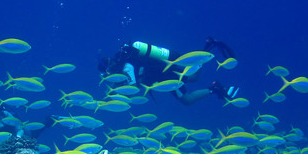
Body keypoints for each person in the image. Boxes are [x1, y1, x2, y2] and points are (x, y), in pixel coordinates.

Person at [98, 37, 238, 105]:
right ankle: (206, 52)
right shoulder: (125, 65)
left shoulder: (126, 67)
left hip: (164, 75)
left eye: (107, 74)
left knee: (188, 97)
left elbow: (133, 88)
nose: (108, 76)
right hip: (161, 73)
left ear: (109, 69)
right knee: (192, 81)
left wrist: (116, 93)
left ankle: (214, 85)